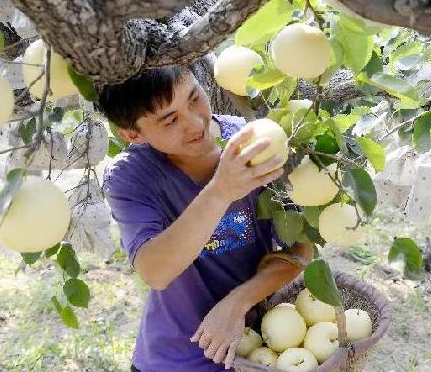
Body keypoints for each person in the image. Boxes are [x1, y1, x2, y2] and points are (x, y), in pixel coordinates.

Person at [97, 65, 314, 372]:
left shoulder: (255, 141)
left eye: (194, 97)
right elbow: (155, 271)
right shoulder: (131, 177)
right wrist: (221, 191)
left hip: (258, 349)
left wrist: (238, 302)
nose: (196, 122)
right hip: (174, 359)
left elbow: (301, 248)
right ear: (133, 134)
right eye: (171, 119)